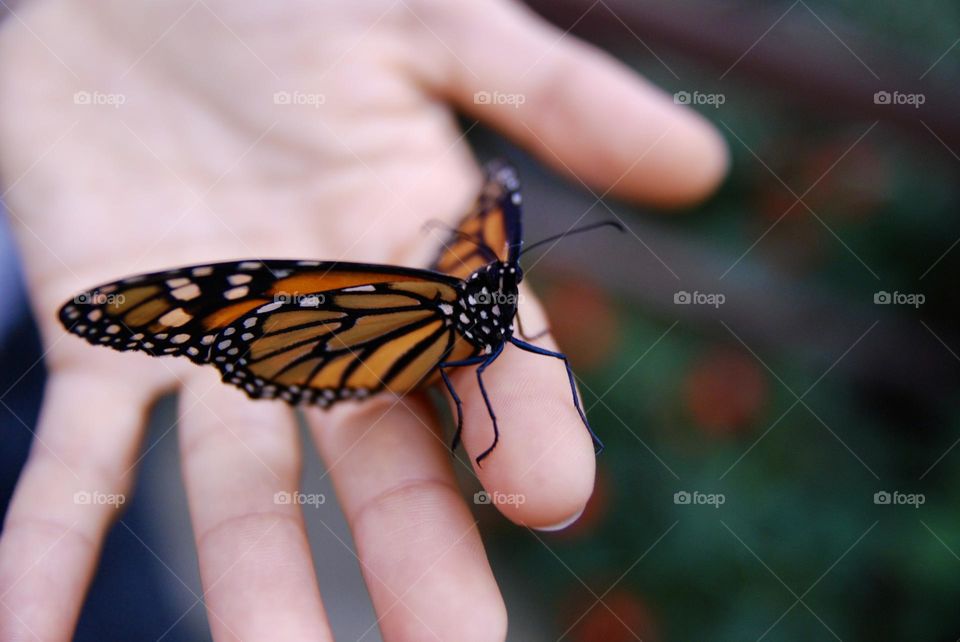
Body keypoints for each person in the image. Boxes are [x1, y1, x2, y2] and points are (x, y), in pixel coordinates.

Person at [0, 0, 727, 639]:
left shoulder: (467, 287)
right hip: (39, 251)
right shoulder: (436, 304)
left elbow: (489, 250)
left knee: (111, 584)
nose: (499, 297)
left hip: (19, 308)